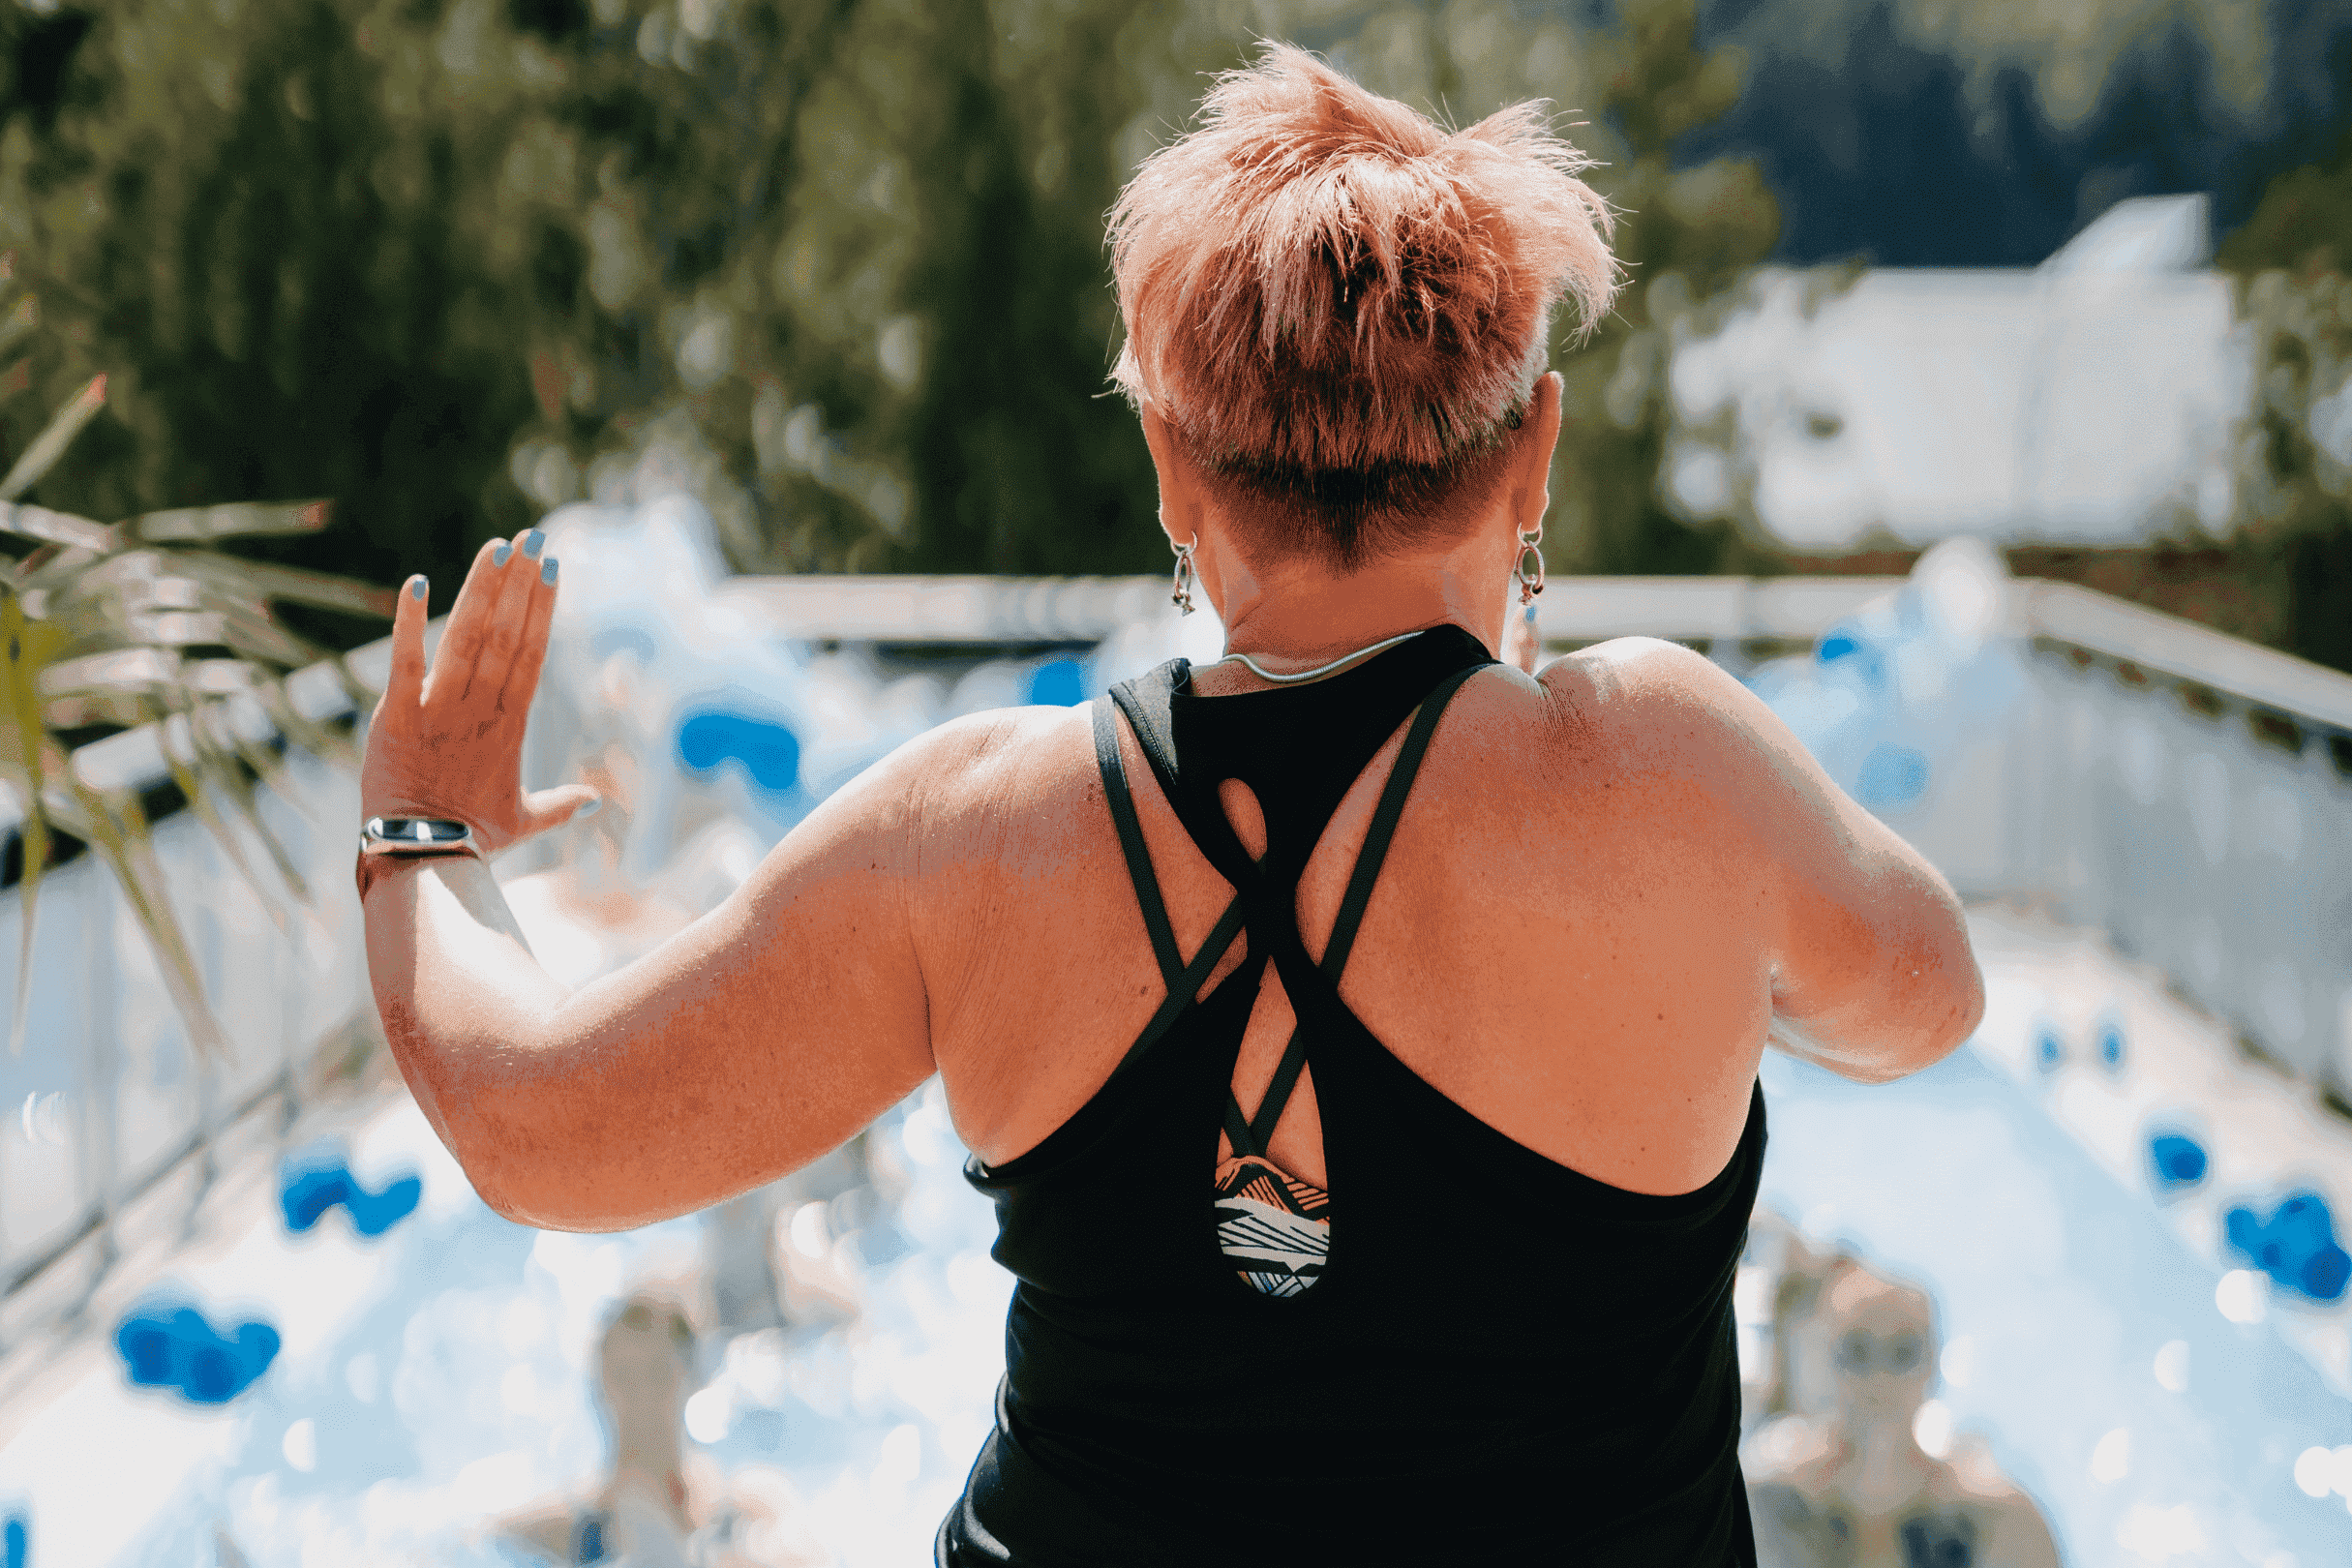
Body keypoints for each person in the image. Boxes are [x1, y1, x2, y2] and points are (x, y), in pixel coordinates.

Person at [358, 43, 1983, 1566]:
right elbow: (1922, 1000)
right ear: (1534, 450)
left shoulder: (977, 832)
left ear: (1170, 468)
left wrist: (420, 835)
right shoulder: (1666, 772)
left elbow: (536, 1132)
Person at [1745, 1263, 2060, 1568]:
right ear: (1827, 1364)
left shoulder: (2003, 1524)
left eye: (1903, 1354)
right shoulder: (1768, 1506)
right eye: (1858, 1352)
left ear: (1933, 1367)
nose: (1880, 1380)